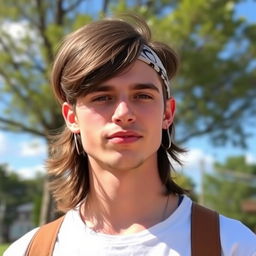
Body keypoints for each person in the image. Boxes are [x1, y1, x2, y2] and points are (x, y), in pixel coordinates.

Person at [4, 15, 256, 256]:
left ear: (167, 113)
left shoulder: (233, 246)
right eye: (102, 97)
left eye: (142, 96)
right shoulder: (29, 251)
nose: (123, 113)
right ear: (72, 118)